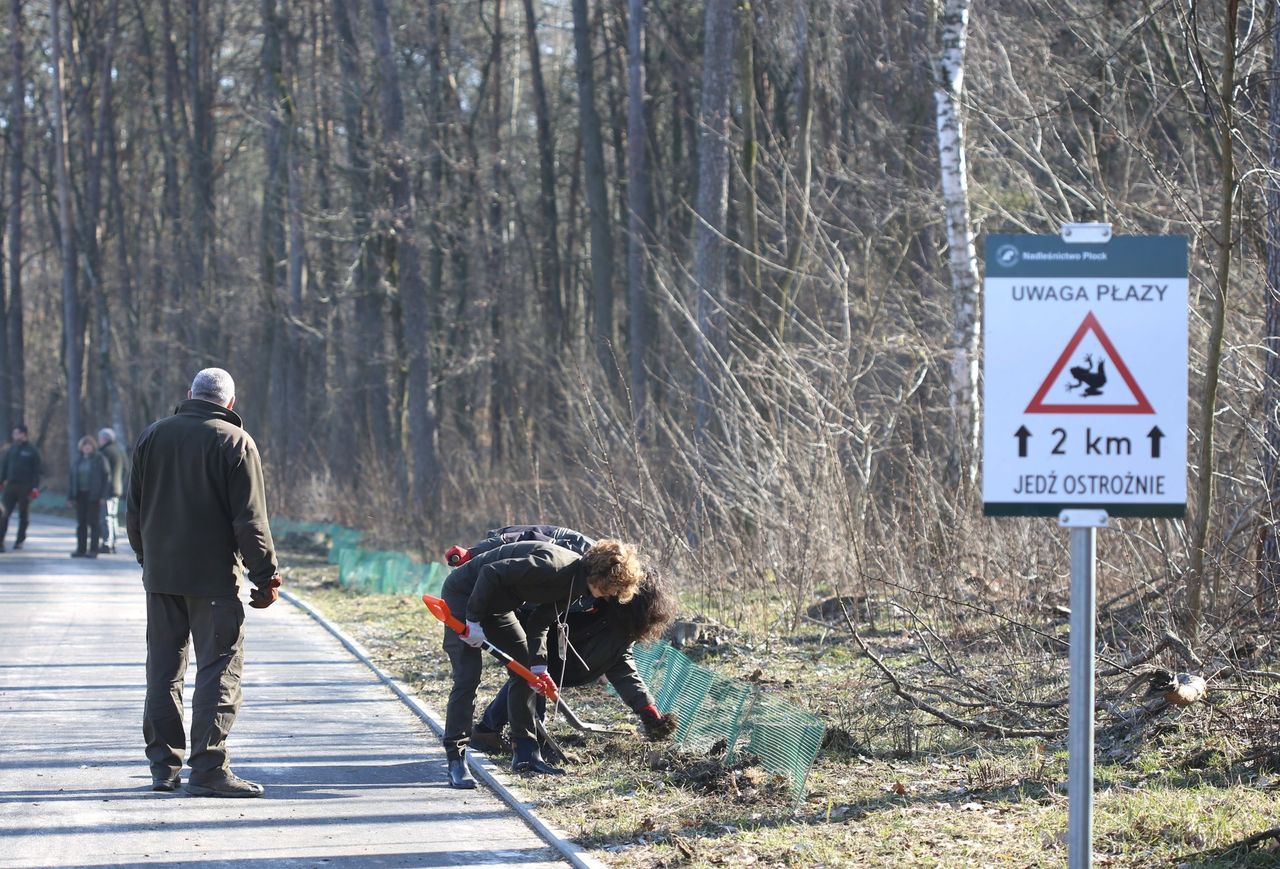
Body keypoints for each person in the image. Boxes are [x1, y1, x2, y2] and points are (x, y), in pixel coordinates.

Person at [127, 367, 282, 798]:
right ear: (230, 403)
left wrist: (148, 561)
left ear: (190, 393)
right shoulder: (235, 442)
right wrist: (265, 576)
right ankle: (208, 768)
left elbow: (133, 511)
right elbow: (250, 521)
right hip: (214, 582)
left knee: (163, 672)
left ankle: (164, 768)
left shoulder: (152, 436)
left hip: (162, 580)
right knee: (218, 671)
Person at [440, 536, 645, 789]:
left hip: (498, 605)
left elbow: (540, 621)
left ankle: (526, 753)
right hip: (463, 598)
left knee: (526, 672)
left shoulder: (577, 586)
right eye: (614, 588)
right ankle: (457, 759)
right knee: (468, 677)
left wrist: (539, 666)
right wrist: (472, 620)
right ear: (603, 576)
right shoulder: (554, 566)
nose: (612, 595)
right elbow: (490, 572)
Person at [471, 566, 679, 754]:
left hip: (556, 654)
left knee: (533, 675)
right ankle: (529, 744)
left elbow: (620, 662)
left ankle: (488, 731)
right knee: (533, 673)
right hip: (530, 629)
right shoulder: (589, 598)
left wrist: (646, 707)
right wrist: (539, 662)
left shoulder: (624, 626)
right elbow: (539, 621)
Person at [0, 424, 43, 552]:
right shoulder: (11, 449)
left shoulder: (32, 451)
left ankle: (19, 540)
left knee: (23, 515)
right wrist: (1, 481)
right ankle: (0, 541)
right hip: (10, 485)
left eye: (16, 433)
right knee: (3, 514)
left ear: (23, 434)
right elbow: (4, 467)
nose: (14, 436)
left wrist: (35, 488)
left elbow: (37, 471)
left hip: (26, 486)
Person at [66, 435, 110, 558]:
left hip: (94, 496)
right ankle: (81, 549)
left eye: (89, 445)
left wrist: (103, 496)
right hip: (80, 495)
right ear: (81, 447)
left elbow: (107, 478)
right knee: (81, 523)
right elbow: (72, 480)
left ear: (93, 446)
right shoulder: (78, 460)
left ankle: (93, 550)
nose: (86, 448)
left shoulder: (99, 459)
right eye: (84, 446)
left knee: (93, 523)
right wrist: (70, 498)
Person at [97, 427, 128, 554]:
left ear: (104, 439)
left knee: (106, 517)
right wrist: (120, 482)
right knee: (113, 516)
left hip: (107, 490)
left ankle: (107, 543)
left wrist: (101, 492)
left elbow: (103, 473)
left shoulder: (104, 452)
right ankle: (113, 542)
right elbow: (126, 469)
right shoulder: (120, 451)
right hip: (117, 488)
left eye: (100, 439)